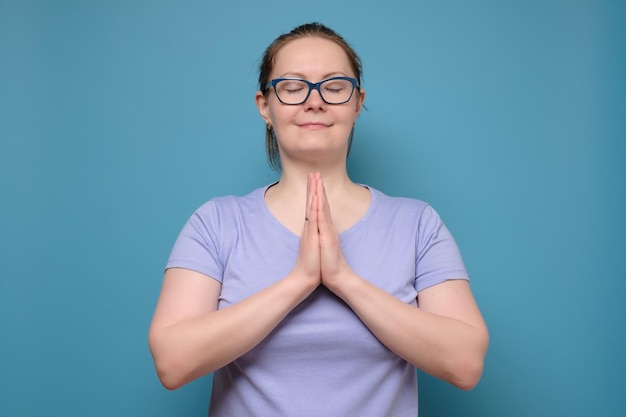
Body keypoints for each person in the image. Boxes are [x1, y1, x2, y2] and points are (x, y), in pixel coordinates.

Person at [148, 22, 489, 416]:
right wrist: (300, 280)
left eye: (334, 86)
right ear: (265, 106)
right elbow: (172, 363)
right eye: (293, 87)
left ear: (357, 103)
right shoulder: (216, 223)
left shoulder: (417, 224)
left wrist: (344, 279)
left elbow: (465, 364)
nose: (314, 101)